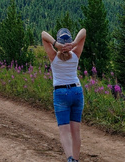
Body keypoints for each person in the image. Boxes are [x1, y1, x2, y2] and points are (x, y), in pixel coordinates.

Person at [42, 28, 87, 162]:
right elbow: (83, 31)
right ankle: (76, 159)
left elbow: (43, 34)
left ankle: (70, 159)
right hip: (77, 91)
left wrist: (56, 44)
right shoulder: (76, 54)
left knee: (64, 130)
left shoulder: (53, 56)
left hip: (60, 93)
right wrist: (73, 44)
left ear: (60, 43)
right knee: (76, 131)